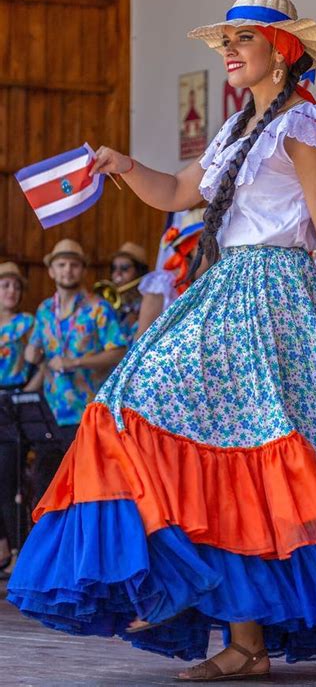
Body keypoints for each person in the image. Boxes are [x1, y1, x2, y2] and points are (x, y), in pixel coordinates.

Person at [8, 0, 316, 682]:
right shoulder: (233, 131)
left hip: (278, 299)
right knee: (136, 412)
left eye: (241, 40)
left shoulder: (308, 127)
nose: (228, 51)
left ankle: (247, 641)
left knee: (257, 457)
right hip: (225, 295)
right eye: (224, 41)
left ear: (281, 52)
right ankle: (229, 625)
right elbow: (176, 193)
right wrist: (121, 164)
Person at [24, 239, 127, 452]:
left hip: (88, 412)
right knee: (48, 480)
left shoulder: (99, 308)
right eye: (61, 265)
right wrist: (31, 354)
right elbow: (36, 353)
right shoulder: (44, 309)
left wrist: (76, 362)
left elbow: (119, 353)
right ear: (51, 271)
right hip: (50, 412)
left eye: (74, 264)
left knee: (83, 483)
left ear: (83, 270)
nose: (67, 270)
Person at [0, 263, 40, 573]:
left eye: (15, 286)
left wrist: (26, 392)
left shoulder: (27, 324)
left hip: (14, 398)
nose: (11, 291)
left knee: (11, 479)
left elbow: (39, 361)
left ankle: (18, 549)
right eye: (5, 285)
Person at [109, 242, 149, 346]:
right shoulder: (109, 298)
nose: (117, 274)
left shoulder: (148, 301)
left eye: (124, 268)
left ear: (140, 271)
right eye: (114, 268)